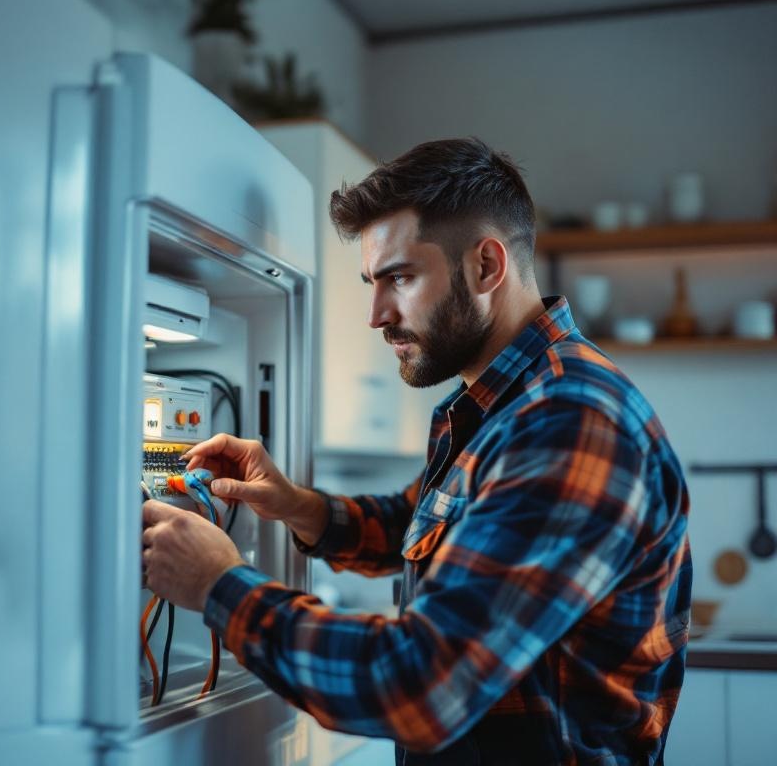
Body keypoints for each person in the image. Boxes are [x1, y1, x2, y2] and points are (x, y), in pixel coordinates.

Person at [141, 137, 691, 765]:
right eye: (372, 283)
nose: (376, 315)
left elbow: (421, 684)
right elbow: (419, 527)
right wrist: (297, 506)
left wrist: (219, 584)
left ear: (486, 267)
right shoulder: (500, 407)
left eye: (400, 278)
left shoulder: (569, 420)